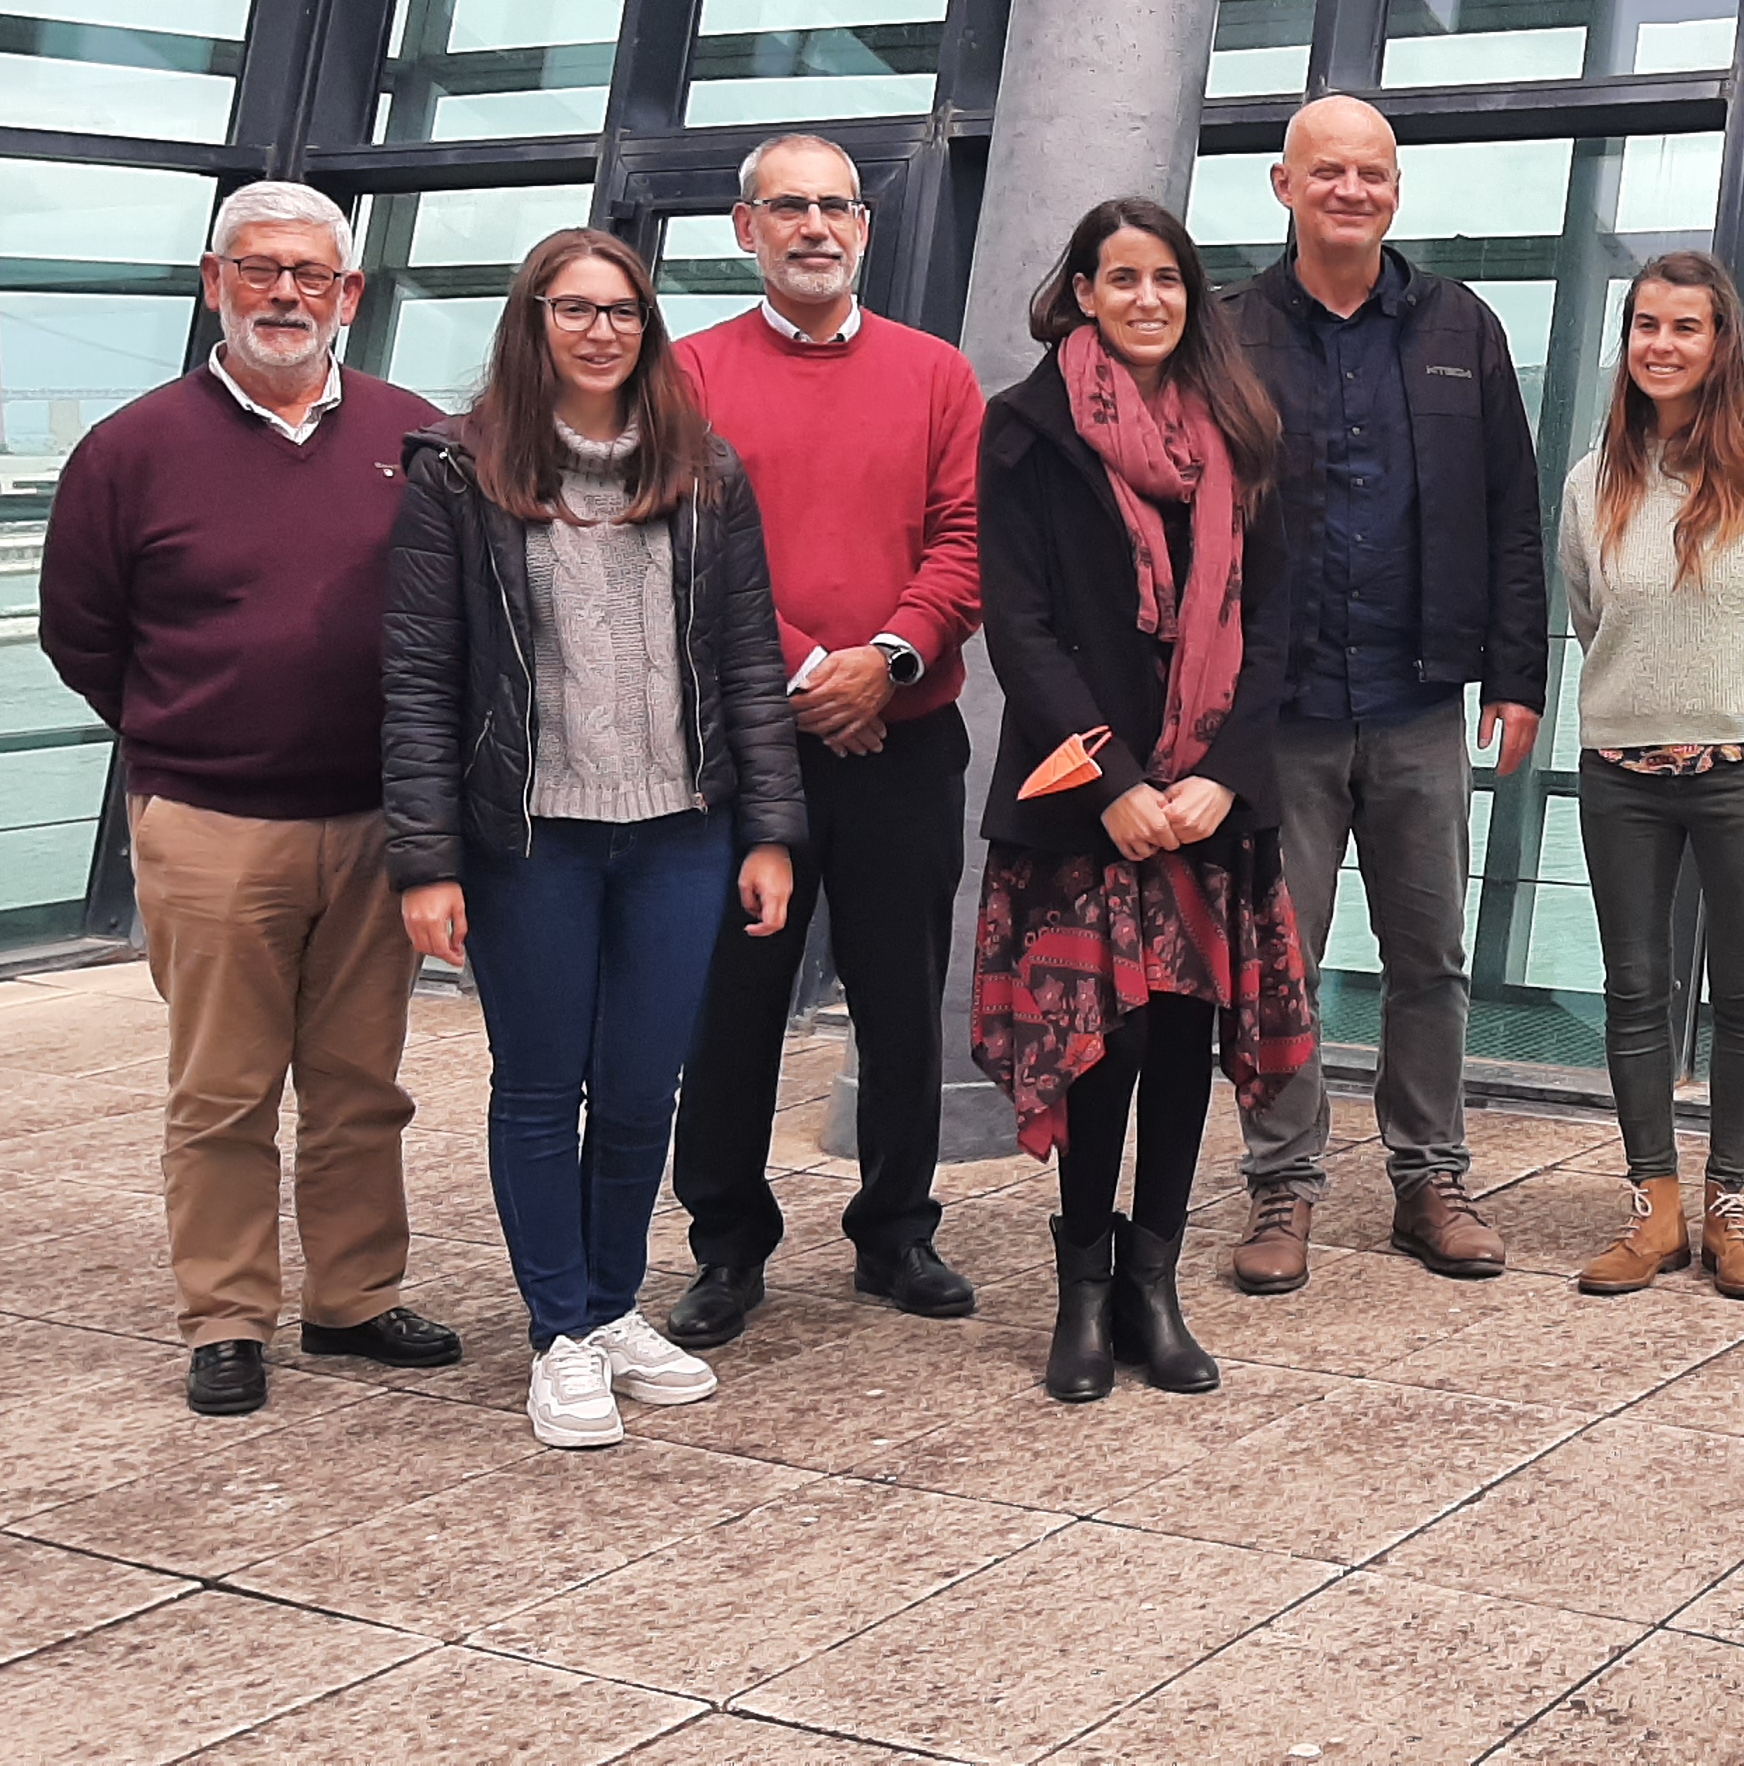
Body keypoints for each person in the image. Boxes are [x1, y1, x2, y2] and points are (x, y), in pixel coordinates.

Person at [39, 182, 463, 1417]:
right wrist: (197, 732)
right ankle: (226, 1316)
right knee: (222, 1088)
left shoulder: (414, 433)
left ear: (351, 296)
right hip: (212, 823)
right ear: (213, 280)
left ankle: (354, 1299)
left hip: (381, 820)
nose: (287, 294)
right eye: (260, 270)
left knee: (360, 1080)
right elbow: (82, 635)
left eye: (311, 276)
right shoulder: (129, 449)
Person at [384, 229, 806, 1451]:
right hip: (532, 841)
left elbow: (746, 666)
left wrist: (769, 831)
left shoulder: (705, 472)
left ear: (648, 327)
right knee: (537, 1087)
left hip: (680, 831)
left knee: (637, 1092)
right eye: (573, 309)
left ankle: (616, 1305)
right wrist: (426, 861)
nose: (600, 330)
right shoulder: (457, 478)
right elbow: (418, 679)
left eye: (622, 310)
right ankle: (558, 1332)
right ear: (534, 322)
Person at [969, 198, 1315, 1403]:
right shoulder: (1022, 430)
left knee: (1179, 1041)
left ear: (1192, 292)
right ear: (1081, 292)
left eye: (1167, 278)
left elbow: (1273, 627)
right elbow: (1020, 627)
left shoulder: (1246, 430)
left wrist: (1218, 774)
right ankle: (1079, 1290)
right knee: (1102, 1040)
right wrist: (1117, 781)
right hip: (1084, 800)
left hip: (1216, 800)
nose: (1148, 300)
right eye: (1122, 279)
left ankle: (1150, 1288)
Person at [1217, 94, 1546, 1291]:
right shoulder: (1228, 331)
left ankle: (1430, 1179)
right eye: (1329, 172)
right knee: (1279, 961)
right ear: (1284, 186)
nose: (1352, 190)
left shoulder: (1461, 324)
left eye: (1374, 173)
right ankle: (1282, 1191)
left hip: (1419, 700)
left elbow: (1515, 508)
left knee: (1430, 958)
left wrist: (1518, 673)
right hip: (1280, 708)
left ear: (1396, 189)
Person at [665, 133, 987, 1347]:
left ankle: (897, 1229)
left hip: (906, 736)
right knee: (733, 1005)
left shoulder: (937, 376)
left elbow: (965, 541)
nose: (815, 227)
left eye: (836, 207)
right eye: (788, 207)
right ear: (744, 229)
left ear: (866, 227)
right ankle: (727, 1248)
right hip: (751, 745)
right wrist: (812, 670)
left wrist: (887, 660)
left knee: (901, 997)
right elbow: (693, 554)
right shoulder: (688, 376)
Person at [1561, 252, 1744, 1300]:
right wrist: (1647, 707)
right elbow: (1593, 618)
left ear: (1721, 345)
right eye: (1646, 326)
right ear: (1626, 341)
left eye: (1686, 327)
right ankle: (1653, 1209)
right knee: (1634, 991)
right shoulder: (1595, 480)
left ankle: (1732, 1209)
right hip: (1621, 772)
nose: (1662, 345)